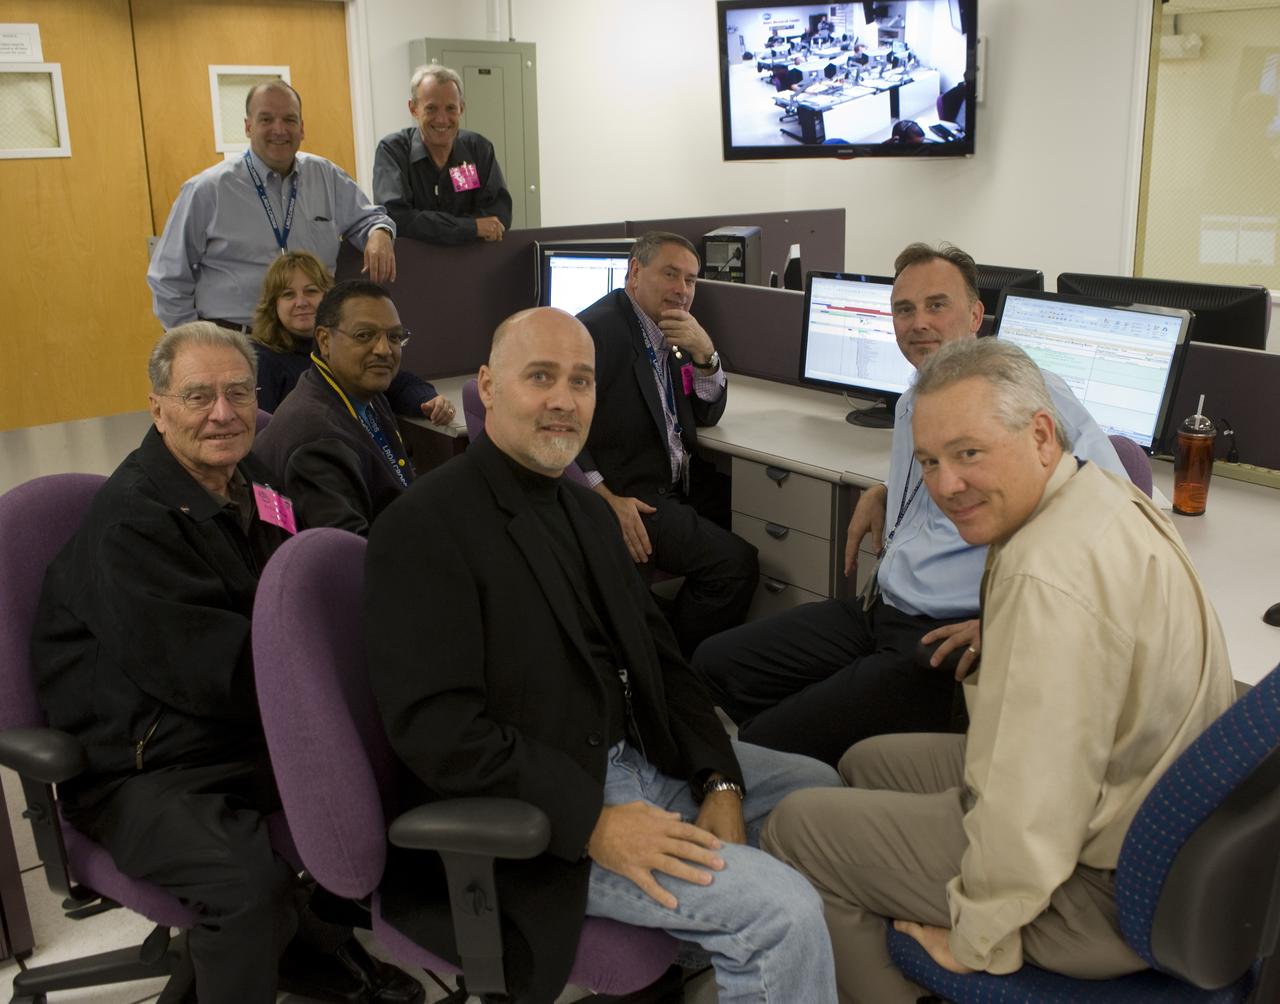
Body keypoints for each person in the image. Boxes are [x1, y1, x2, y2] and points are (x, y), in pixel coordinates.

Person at [365, 307, 840, 1004]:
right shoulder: (424, 528)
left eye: (581, 381)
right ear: (490, 388)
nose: (564, 399)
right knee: (781, 915)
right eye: (541, 377)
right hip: (547, 801)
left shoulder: (589, 511)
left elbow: (663, 661)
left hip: (644, 756)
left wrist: (718, 781)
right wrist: (589, 820)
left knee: (820, 795)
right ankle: (755, 937)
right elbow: (438, 730)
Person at [762, 337, 1236, 1003]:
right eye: (929, 461)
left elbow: (1037, 802)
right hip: (1134, 808)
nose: (945, 485)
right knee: (867, 761)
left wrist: (976, 937)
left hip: (1099, 890)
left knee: (796, 827)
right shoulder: (1098, 495)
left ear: (1041, 434)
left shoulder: (1047, 573)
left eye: (969, 453)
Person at [30, 323, 421, 1003]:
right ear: (157, 408)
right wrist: (338, 701)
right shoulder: (129, 526)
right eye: (198, 396)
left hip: (235, 736)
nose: (223, 413)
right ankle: (271, 941)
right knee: (245, 888)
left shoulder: (253, 478)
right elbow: (219, 671)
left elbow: (293, 602)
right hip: (145, 764)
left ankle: (305, 948)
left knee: (394, 778)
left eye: (238, 392)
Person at [692, 242, 1126, 767]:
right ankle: (826, 759)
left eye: (936, 305)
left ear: (975, 315)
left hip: (942, 637)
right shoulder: (917, 396)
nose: (918, 323)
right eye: (904, 309)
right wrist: (888, 489)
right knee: (713, 663)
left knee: (762, 745)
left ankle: (816, 774)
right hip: (880, 610)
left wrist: (1014, 619)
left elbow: (1115, 510)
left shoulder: (1024, 391)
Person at [576, 231, 758, 657]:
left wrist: (706, 355)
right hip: (633, 495)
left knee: (763, 513)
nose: (682, 290)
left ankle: (666, 649)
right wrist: (604, 497)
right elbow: (561, 429)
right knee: (735, 565)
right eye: (671, 274)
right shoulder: (595, 332)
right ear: (635, 272)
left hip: (678, 480)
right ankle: (675, 665)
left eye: (691, 280)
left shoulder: (672, 332)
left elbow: (706, 412)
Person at [148, 80, 396, 331]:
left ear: (301, 128)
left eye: (289, 120)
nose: (279, 130)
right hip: (239, 342)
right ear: (248, 126)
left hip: (314, 339)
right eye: (266, 119)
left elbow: (369, 218)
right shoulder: (206, 190)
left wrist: (380, 232)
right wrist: (193, 342)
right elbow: (167, 278)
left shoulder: (326, 176)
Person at [254, 280, 434, 535]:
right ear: (325, 341)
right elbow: (349, 554)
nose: (384, 350)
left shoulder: (359, 390)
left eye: (394, 337)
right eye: (364, 336)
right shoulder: (318, 441)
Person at [250, 250, 451, 422]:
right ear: (273, 304)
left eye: (311, 291)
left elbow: (399, 384)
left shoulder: (343, 345)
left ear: (327, 298)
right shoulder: (261, 359)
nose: (301, 302)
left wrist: (429, 402)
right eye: (288, 295)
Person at [373, 65, 513, 246]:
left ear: (461, 109)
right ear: (413, 109)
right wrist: (471, 227)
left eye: (450, 108)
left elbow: (499, 215)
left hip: (472, 265)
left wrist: (431, 226)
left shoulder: (478, 149)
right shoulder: (393, 151)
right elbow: (396, 218)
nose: (441, 119)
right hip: (413, 267)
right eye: (431, 108)